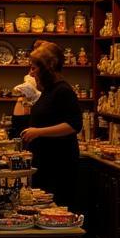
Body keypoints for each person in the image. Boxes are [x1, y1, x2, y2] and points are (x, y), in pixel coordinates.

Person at [11, 42, 82, 209]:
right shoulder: (48, 90)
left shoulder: (63, 90)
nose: (31, 73)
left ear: (48, 67)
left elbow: (74, 125)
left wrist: (38, 132)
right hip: (45, 161)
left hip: (58, 163)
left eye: (34, 68)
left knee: (57, 208)